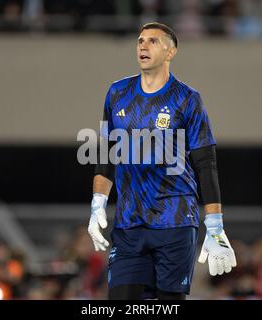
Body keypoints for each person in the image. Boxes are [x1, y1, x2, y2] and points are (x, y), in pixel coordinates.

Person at [88, 22, 237, 300]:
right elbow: (106, 154)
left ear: (171, 52)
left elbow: (206, 163)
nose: (143, 45)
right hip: (129, 225)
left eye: (153, 41)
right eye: (140, 40)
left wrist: (215, 224)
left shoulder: (187, 99)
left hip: (176, 221)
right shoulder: (117, 93)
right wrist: (98, 203)